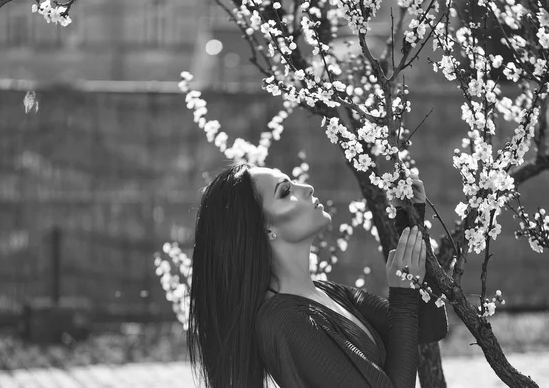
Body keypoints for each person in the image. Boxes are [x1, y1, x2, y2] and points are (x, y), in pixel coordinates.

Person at [187, 162, 448, 388]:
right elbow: (406, 314)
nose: (307, 187)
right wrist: (402, 295)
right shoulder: (283, 321)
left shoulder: (328, 293)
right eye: (286, 191)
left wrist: (410, 221)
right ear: (264, 229)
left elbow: (429, 325)